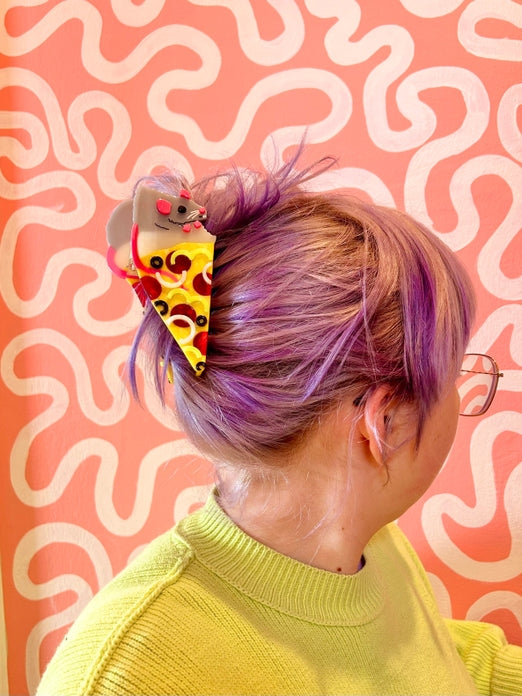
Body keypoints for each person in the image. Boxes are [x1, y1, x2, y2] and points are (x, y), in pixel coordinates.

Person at [38, 153, 521, 695]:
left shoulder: (370, 546)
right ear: (382, 423)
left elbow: (427, 660)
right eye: (455, 372)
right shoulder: (124, 678)